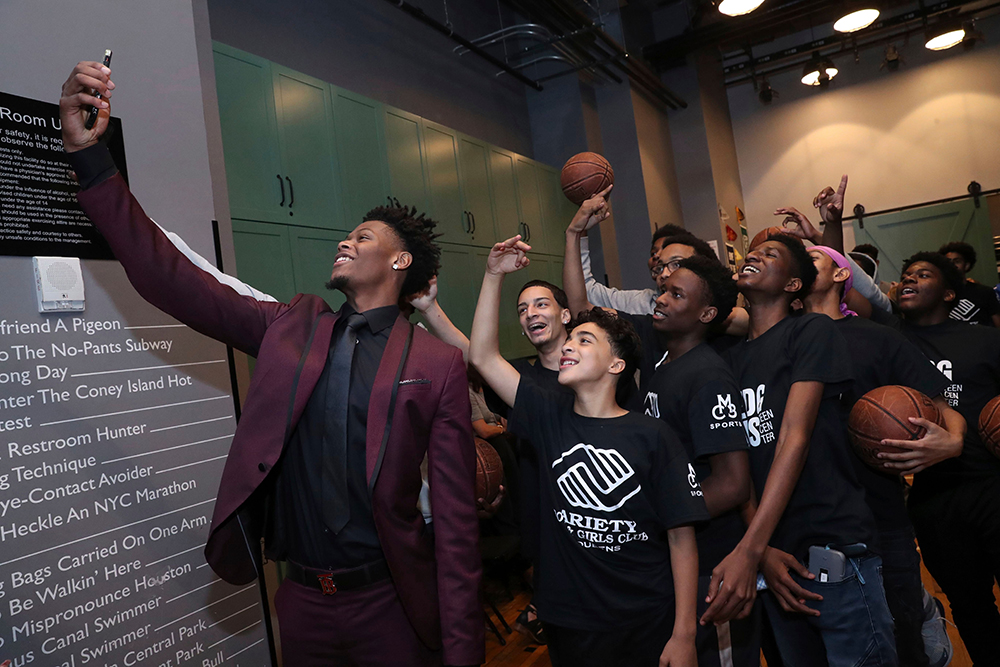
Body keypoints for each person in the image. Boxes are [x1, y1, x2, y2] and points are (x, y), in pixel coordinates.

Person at [60, 61, 483, 667]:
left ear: (400, 263)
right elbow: (169, 277)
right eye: (348, 235)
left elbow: (457, 524)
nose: (346, 241)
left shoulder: (437, 364)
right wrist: (90, 160)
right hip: (304, 603)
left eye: (364, 237)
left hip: (391, 606)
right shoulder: (291, 327)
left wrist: (464, 654)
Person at [469, 234, 708, 667]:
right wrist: (492, 276)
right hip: (570, 619)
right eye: (570, 340)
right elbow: (483, 356)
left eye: (584, 341)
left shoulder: (653, 437)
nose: (569, 347)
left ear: (617, 364)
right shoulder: (548, 418)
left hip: (645, 615)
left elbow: (681, 541)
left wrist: (685, 634)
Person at [702, 232, 897, 667]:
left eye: (770, 255)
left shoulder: (811, 330)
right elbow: (737, 465)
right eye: (753, 252)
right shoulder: (727, 362)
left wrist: (750, 549)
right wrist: (762, 550)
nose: (754, 254)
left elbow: (795, 434)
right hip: (774, 557)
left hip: (831, 543)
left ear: (793, 286)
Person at [793, 243, 965, 666]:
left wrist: (952, 441)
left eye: (813, 258)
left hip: (878, 512)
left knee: (899, 629)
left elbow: (942, 404)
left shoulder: (878, 338)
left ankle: (924, 621)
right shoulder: (776, 339)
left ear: (840, 276)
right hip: (801, 515)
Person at [410, 274, 574, 644]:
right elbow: (476, 356)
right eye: (522, 308)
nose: (530, 312)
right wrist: (430, 307)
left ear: (566, 315)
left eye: (541, 303)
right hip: (545, 536)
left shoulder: (589, 375)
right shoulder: (524, 378)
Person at [643, 255, 761, 667]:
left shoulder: (708, 376)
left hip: (712, 567)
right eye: (663, 289)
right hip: (680, 558)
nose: (661, 299)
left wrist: (654, 516)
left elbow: (731, 483)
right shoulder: (665, 365)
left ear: (707, 313)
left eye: (676, 294)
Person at [896, 251, 1000, 666]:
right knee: (969, 603)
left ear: (950, 293)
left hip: (992, 483)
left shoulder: (985, 339)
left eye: (923, 274)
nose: (910, 279)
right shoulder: (890, 338)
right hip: (934, 495)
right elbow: (847, 286)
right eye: (905, 275)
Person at [938, 241, 1000, 327]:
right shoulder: (937, 294)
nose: (952, 265)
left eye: (957, 261)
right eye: (948, 262)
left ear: (966, 265)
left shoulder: (985, 292)